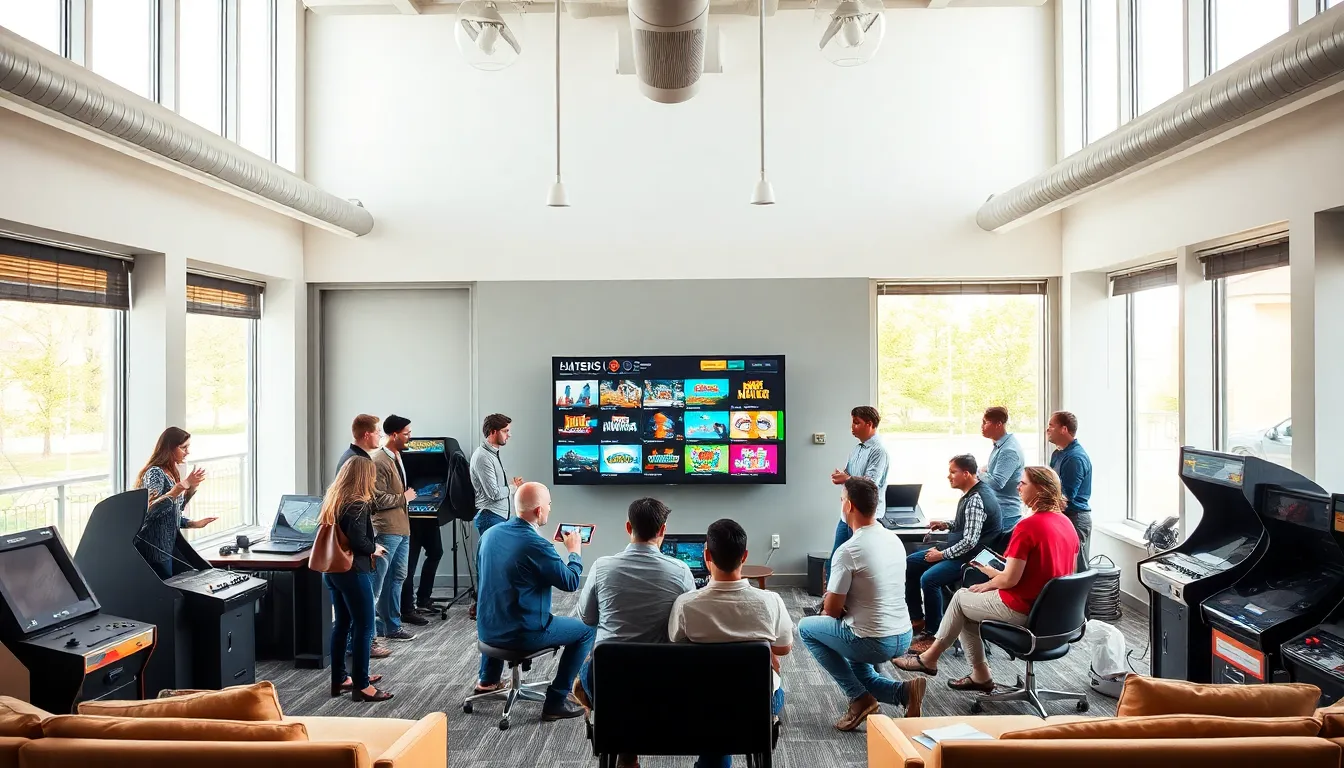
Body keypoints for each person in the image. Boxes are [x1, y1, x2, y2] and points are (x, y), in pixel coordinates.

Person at [896, 466, 1080, 693]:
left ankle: (930, 658)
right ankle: (979, 675)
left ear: (1040, 489)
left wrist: (988, 581)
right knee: (968, 608)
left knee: (962, 598)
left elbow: (1010, 581)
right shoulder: (1067, 523)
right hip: (1057, 617)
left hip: (1023, 610)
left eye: (1023, 483)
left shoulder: (1028, 526)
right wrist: (998, 574)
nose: (1018, 487)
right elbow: (1065, 574)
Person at [573, 498, 694, 768]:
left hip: (609, 681)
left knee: (587, 671)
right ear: (663, 531)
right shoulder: (681, 571)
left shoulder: (601, 567)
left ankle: (617, 742)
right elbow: (689, 626)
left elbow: (586, 618)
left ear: (628, 527)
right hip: (664, 683)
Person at [800, 477, 925, 731]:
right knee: (859, 663)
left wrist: (835, 605)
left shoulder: (848, 551)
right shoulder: (894, 540)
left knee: (805, 628)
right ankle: (904, 692)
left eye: (842, 499)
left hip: (874, 641)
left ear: (849, 506)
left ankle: (859, 699)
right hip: (903, 634)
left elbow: (832, 610)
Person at [668, 519, 792, 768]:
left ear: (706, 556)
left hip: (697, 701)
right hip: (756, 702)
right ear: (745, 556)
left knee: (714, 707)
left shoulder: (685, 604)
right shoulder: (771, 601)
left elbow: (675, 644)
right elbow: (784, 647)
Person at [474, 482, 593, 721]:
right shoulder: (537, 545)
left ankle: (487, 679)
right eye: (548, 504)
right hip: (522, 634)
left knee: (503, 606)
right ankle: (556, 701)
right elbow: (570, 582)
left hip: (486, 629)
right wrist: (574, 552)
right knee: (587, 630)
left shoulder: (490, 534)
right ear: (539, 511)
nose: (550, 508)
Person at [906, 455, 1002, 653]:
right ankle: (917, 618)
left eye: (952, 472)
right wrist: (947, 524)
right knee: (910, 563)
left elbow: (969, 541)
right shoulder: (974, 492)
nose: (948, 476)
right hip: (962, 550)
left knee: (929, 579)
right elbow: (970, 525)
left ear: (966, 473)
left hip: (972, 559)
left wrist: (941, 555)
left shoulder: (976, 498)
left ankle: (933, 634)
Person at [320, 456, 392, 702]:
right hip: (353, 571)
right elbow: (359, 542)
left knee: (342, 625)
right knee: (364, 626)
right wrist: (375, 548)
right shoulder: (357, 505)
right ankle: (362, 685)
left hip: (333, 572)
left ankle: (340, 679)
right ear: (363, 477)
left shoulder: (335, 500)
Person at [822, 406, 889, 605]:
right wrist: (841, 475)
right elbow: (850, 474)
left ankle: (848, 605)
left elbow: (870, 484)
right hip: (847, 515)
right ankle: (830, 603)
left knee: (856, 565)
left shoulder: (879, 451)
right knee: (835, 559)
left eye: (857, 422)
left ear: (869, 424)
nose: (853, 427)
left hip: (864, 516)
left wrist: (847, 478)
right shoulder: (857, 449)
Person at [134, 427, 216, 579]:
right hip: (155, 551)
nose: (188, 451)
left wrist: (194, 522)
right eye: (184, 447)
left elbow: (172, 511)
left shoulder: (171, 472)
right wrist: (181, 486)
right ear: (169, 448)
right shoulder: (155, 472)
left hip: (168, 548)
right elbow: (150, 510)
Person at [470, 413, 523, 620]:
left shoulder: (492, 453)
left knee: (495, 564)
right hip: (490, 516)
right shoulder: (483, 457)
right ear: (493, 432)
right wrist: (513, 487)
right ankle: (483, 609)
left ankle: (484, 608)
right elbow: (493, 493)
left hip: (497, 517)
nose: (509, 435)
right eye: (505, 431)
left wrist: (509, 486)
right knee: (490, 565)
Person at [371, 414, 418, 642]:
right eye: (407, 433)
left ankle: (391, 626)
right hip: (387, 528)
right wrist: (404, 497)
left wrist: (403, 498)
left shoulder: (397, 456)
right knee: (380, 580)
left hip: (402, 527)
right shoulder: (378, 460)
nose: (410, 436)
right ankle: (380, 627)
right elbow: (377, 499)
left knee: (398, 576)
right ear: (394, 434)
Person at [1047, 411, 1092, 571]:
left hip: (1075, 518)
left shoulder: (1075, 458)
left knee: (1076, 570)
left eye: (1051, 426)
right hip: (1063, 517)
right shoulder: (1058, 454)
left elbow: (1065, 497)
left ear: (1064, 429)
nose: (1047, 430)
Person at [978, 406, 1025, 530]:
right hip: (999, 514)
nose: (981, 426)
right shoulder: (1001, 446)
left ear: (998, 424)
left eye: (985, 422)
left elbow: (997, 483)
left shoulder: (1008, 450)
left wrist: (979, 473)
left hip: (1005, 516)